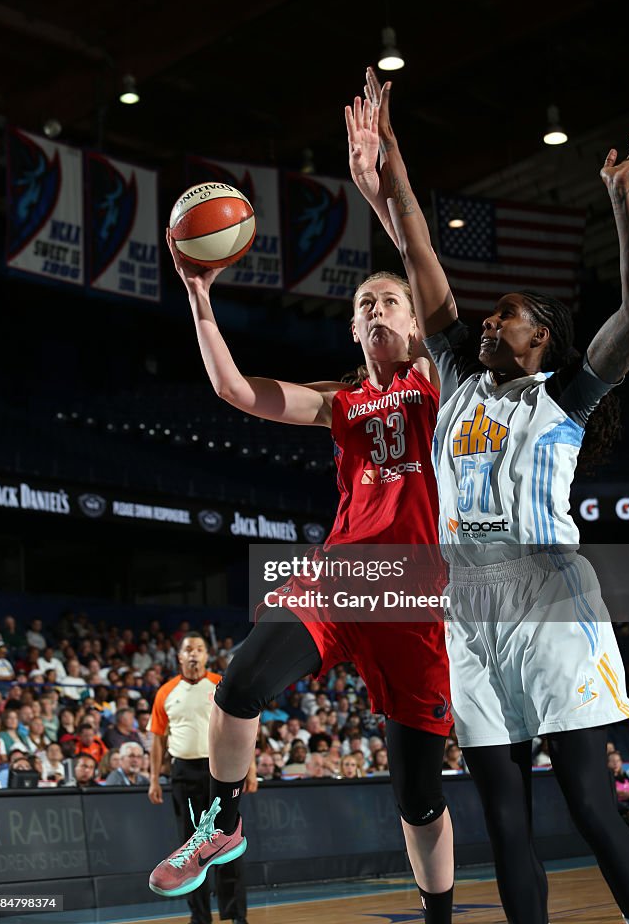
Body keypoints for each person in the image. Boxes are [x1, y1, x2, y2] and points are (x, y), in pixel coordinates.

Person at [354, 66, 629, 924]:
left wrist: (618, 198)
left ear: (546, 340)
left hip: (551, 597)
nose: (489, 321)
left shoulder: (565, 396)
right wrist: (391, 159)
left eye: (509, 316)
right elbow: (418, 250)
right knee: (503, 819)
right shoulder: (453, 371)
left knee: (587, 801)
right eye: (488, 315)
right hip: (468, 605)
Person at [149, 225, 455, 923]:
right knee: (239, 685)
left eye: (389, 301)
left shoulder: (437, 383)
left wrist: (386, 201)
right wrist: (199, 297)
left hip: (414, 601)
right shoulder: (339, 403)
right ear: (352, 328)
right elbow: (234, 390)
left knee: (417, 796)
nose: (377, 310)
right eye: (365, 305)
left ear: (413, 322)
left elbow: (431, 293)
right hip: (338, 582)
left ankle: (437, 916)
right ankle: (221, 827)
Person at [148, 633, 252, 924]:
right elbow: (157, 739)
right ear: (179, 656)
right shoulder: (166, 692)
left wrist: (250, 771)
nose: (193, 654)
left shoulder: (221, 684)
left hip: (219, 772)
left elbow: (240, 731)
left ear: (207, 655)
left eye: (199, 649)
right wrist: (154, 779)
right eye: (188, 649)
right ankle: (200, 918)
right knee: (188, 848)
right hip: (183, 773)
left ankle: (235, 916)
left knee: (226, 843)